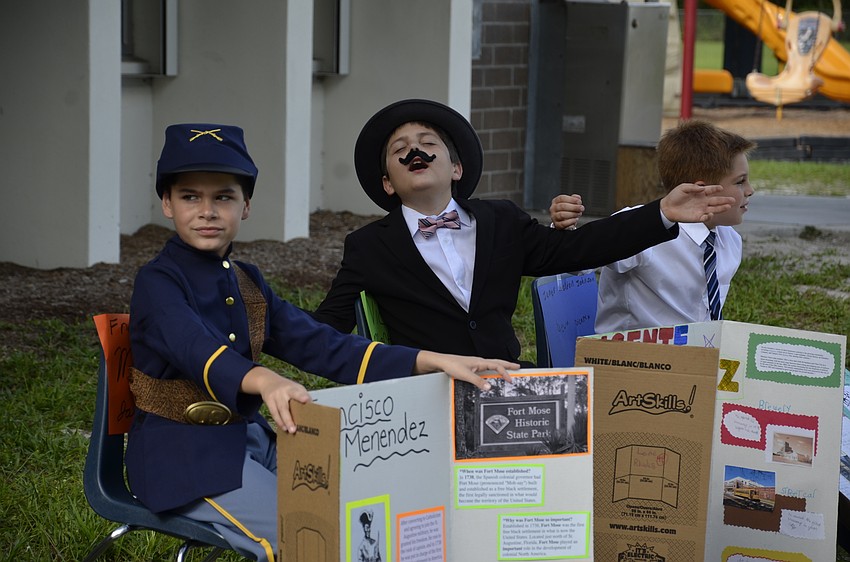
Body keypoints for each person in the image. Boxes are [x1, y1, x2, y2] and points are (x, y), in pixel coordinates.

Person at [125, 123, 518, 561]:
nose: (208, 211)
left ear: (246, 206)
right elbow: (193, 347)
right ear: (166, 203)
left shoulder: (245, 280)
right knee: (307, 538)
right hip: (182, 460)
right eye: (190, 196)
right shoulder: (157, 280)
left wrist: (435, 360)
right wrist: (266, 380)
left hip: (248, 442)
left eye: (224, 197)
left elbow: (321, 344)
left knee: (358, 520)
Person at [310, 99, 735, 364]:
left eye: (428, 143)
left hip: (508, 383)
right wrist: (259, 332)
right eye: (400, 151)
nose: (415, 151)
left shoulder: (500, 221)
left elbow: (581, 248)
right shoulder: (368, 247)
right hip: (428, 393)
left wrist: (661, 211)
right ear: (388, 182)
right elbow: (326, 326)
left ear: (455, 168)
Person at [550, 119, 756, 333]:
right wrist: (565, 229)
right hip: (634, 359)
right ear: (702, 190)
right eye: (740, 181)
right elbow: (576, 263)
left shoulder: (730, 241)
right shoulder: (641, 228)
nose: (750, 190)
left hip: (696, 355)